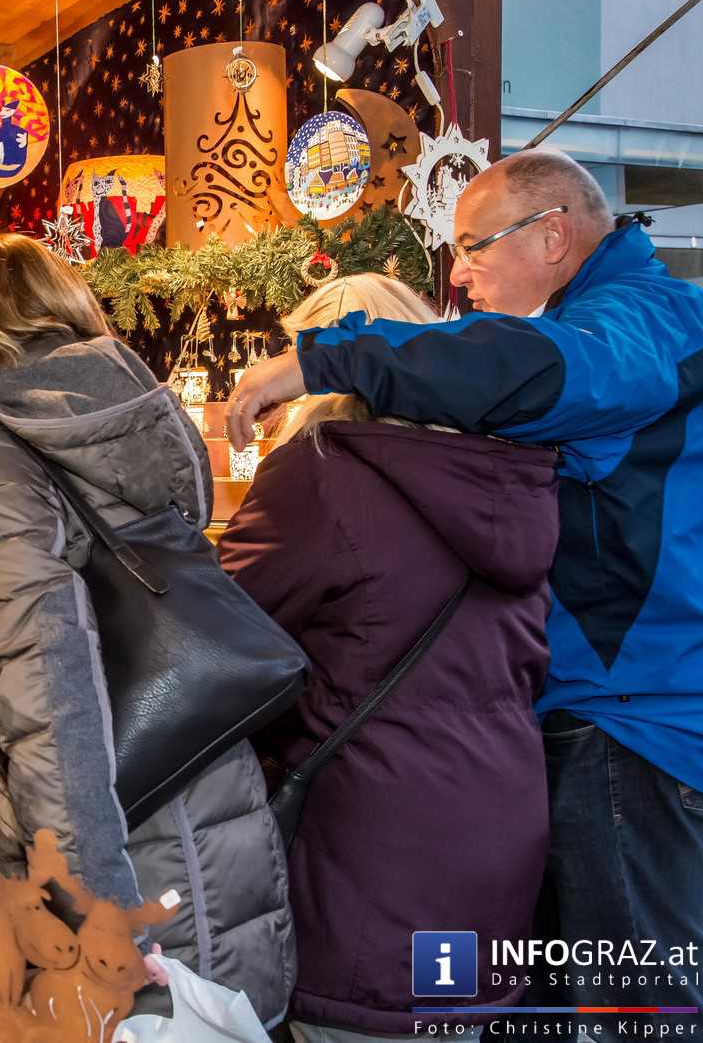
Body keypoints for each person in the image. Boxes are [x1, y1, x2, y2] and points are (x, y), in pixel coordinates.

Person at [225, 149, 703, 1016]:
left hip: (632, 732)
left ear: (552, 235)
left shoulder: (636, 323)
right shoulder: (629, 313)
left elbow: (527, 366)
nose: (457, 270)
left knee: (640, 1016)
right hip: (604, 728)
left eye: (475, 245)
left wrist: (324, 362)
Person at [0, 233, 295, 1022]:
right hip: (208, 799)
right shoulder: (124, 405)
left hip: (124, 851)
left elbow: (50, 693)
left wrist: (93, 906)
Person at [218, 274, 560, 1042]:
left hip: (375, 854)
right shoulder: (506, 471)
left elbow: (220, 630)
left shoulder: (320, 471)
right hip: (499, 835)